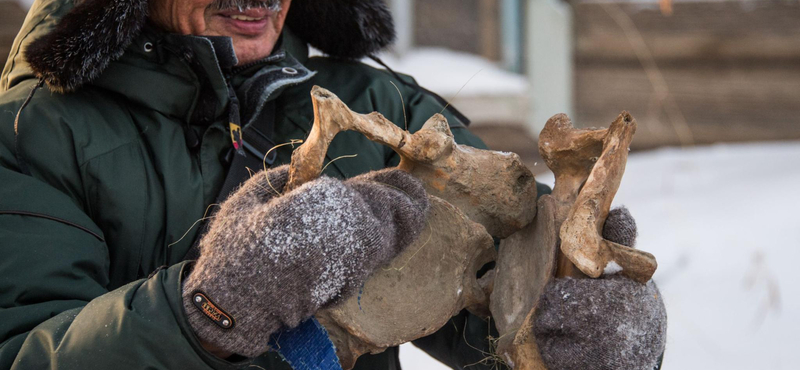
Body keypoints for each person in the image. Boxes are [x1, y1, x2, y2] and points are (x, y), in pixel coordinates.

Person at [0, 0, 666, 369]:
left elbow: (487, 305)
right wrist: (208, 312)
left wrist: (573, 326)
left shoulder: (380, 109)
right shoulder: (32, 136)